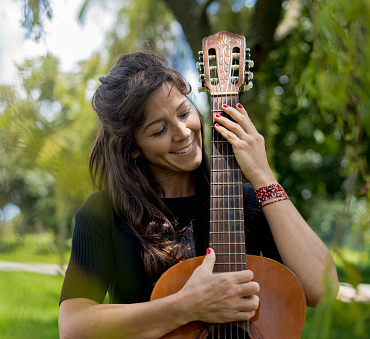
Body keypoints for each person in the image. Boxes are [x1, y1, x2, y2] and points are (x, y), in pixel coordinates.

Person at [58, 51, 339, 338]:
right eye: (159, 130)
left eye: (184, 112)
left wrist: (262, 175)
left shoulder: (245, 202)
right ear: (133, 147)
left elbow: (322, 290)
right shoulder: (106, 212)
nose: (182, 132)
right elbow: (73, 327)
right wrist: (187, 306)